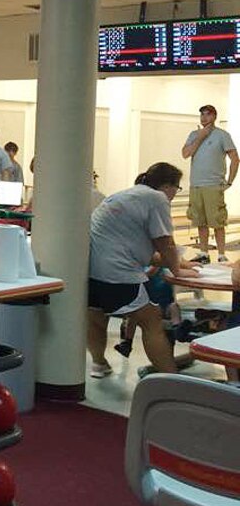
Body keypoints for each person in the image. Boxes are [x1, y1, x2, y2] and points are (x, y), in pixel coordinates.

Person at [87, 162, 198, 380]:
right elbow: (165, 243)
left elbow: (135, 249)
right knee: (151, 320)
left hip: (93, 271)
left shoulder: (122, 196)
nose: (176, 193)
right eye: (177, 188)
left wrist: (181, 264)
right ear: (168, 185)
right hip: (118, 274)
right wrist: (177, 270)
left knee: (97, 318)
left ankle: (99, 364)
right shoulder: (157, 199)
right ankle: (172, 378)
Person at [181, 104, 238, 264]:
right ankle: (204, 253)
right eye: (202, 115)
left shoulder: (222, 135)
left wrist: (230, 181)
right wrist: (200, 136)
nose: (204, 118)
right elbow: (185, 154)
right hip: (196, 185)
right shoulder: (194, 134)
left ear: (214, 116)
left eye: (207, 114)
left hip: (214, 185)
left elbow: (235, 158)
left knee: (217, 221)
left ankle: (221, 254)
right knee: (200, 221)